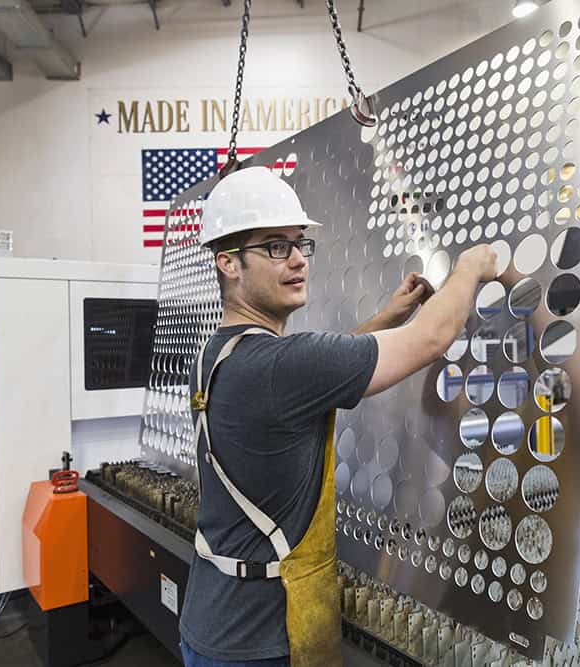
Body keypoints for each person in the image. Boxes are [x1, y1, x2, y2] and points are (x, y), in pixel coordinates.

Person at [179, 166, 497, 667]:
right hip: (262, 642)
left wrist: (390, 316)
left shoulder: (220, 354)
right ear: (228, 264)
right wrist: (472, 266)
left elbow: (316, 374)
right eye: (275, 247)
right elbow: (433, 338)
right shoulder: (281, 365)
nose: (299, 259)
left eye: (300, 244)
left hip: (212, 619)